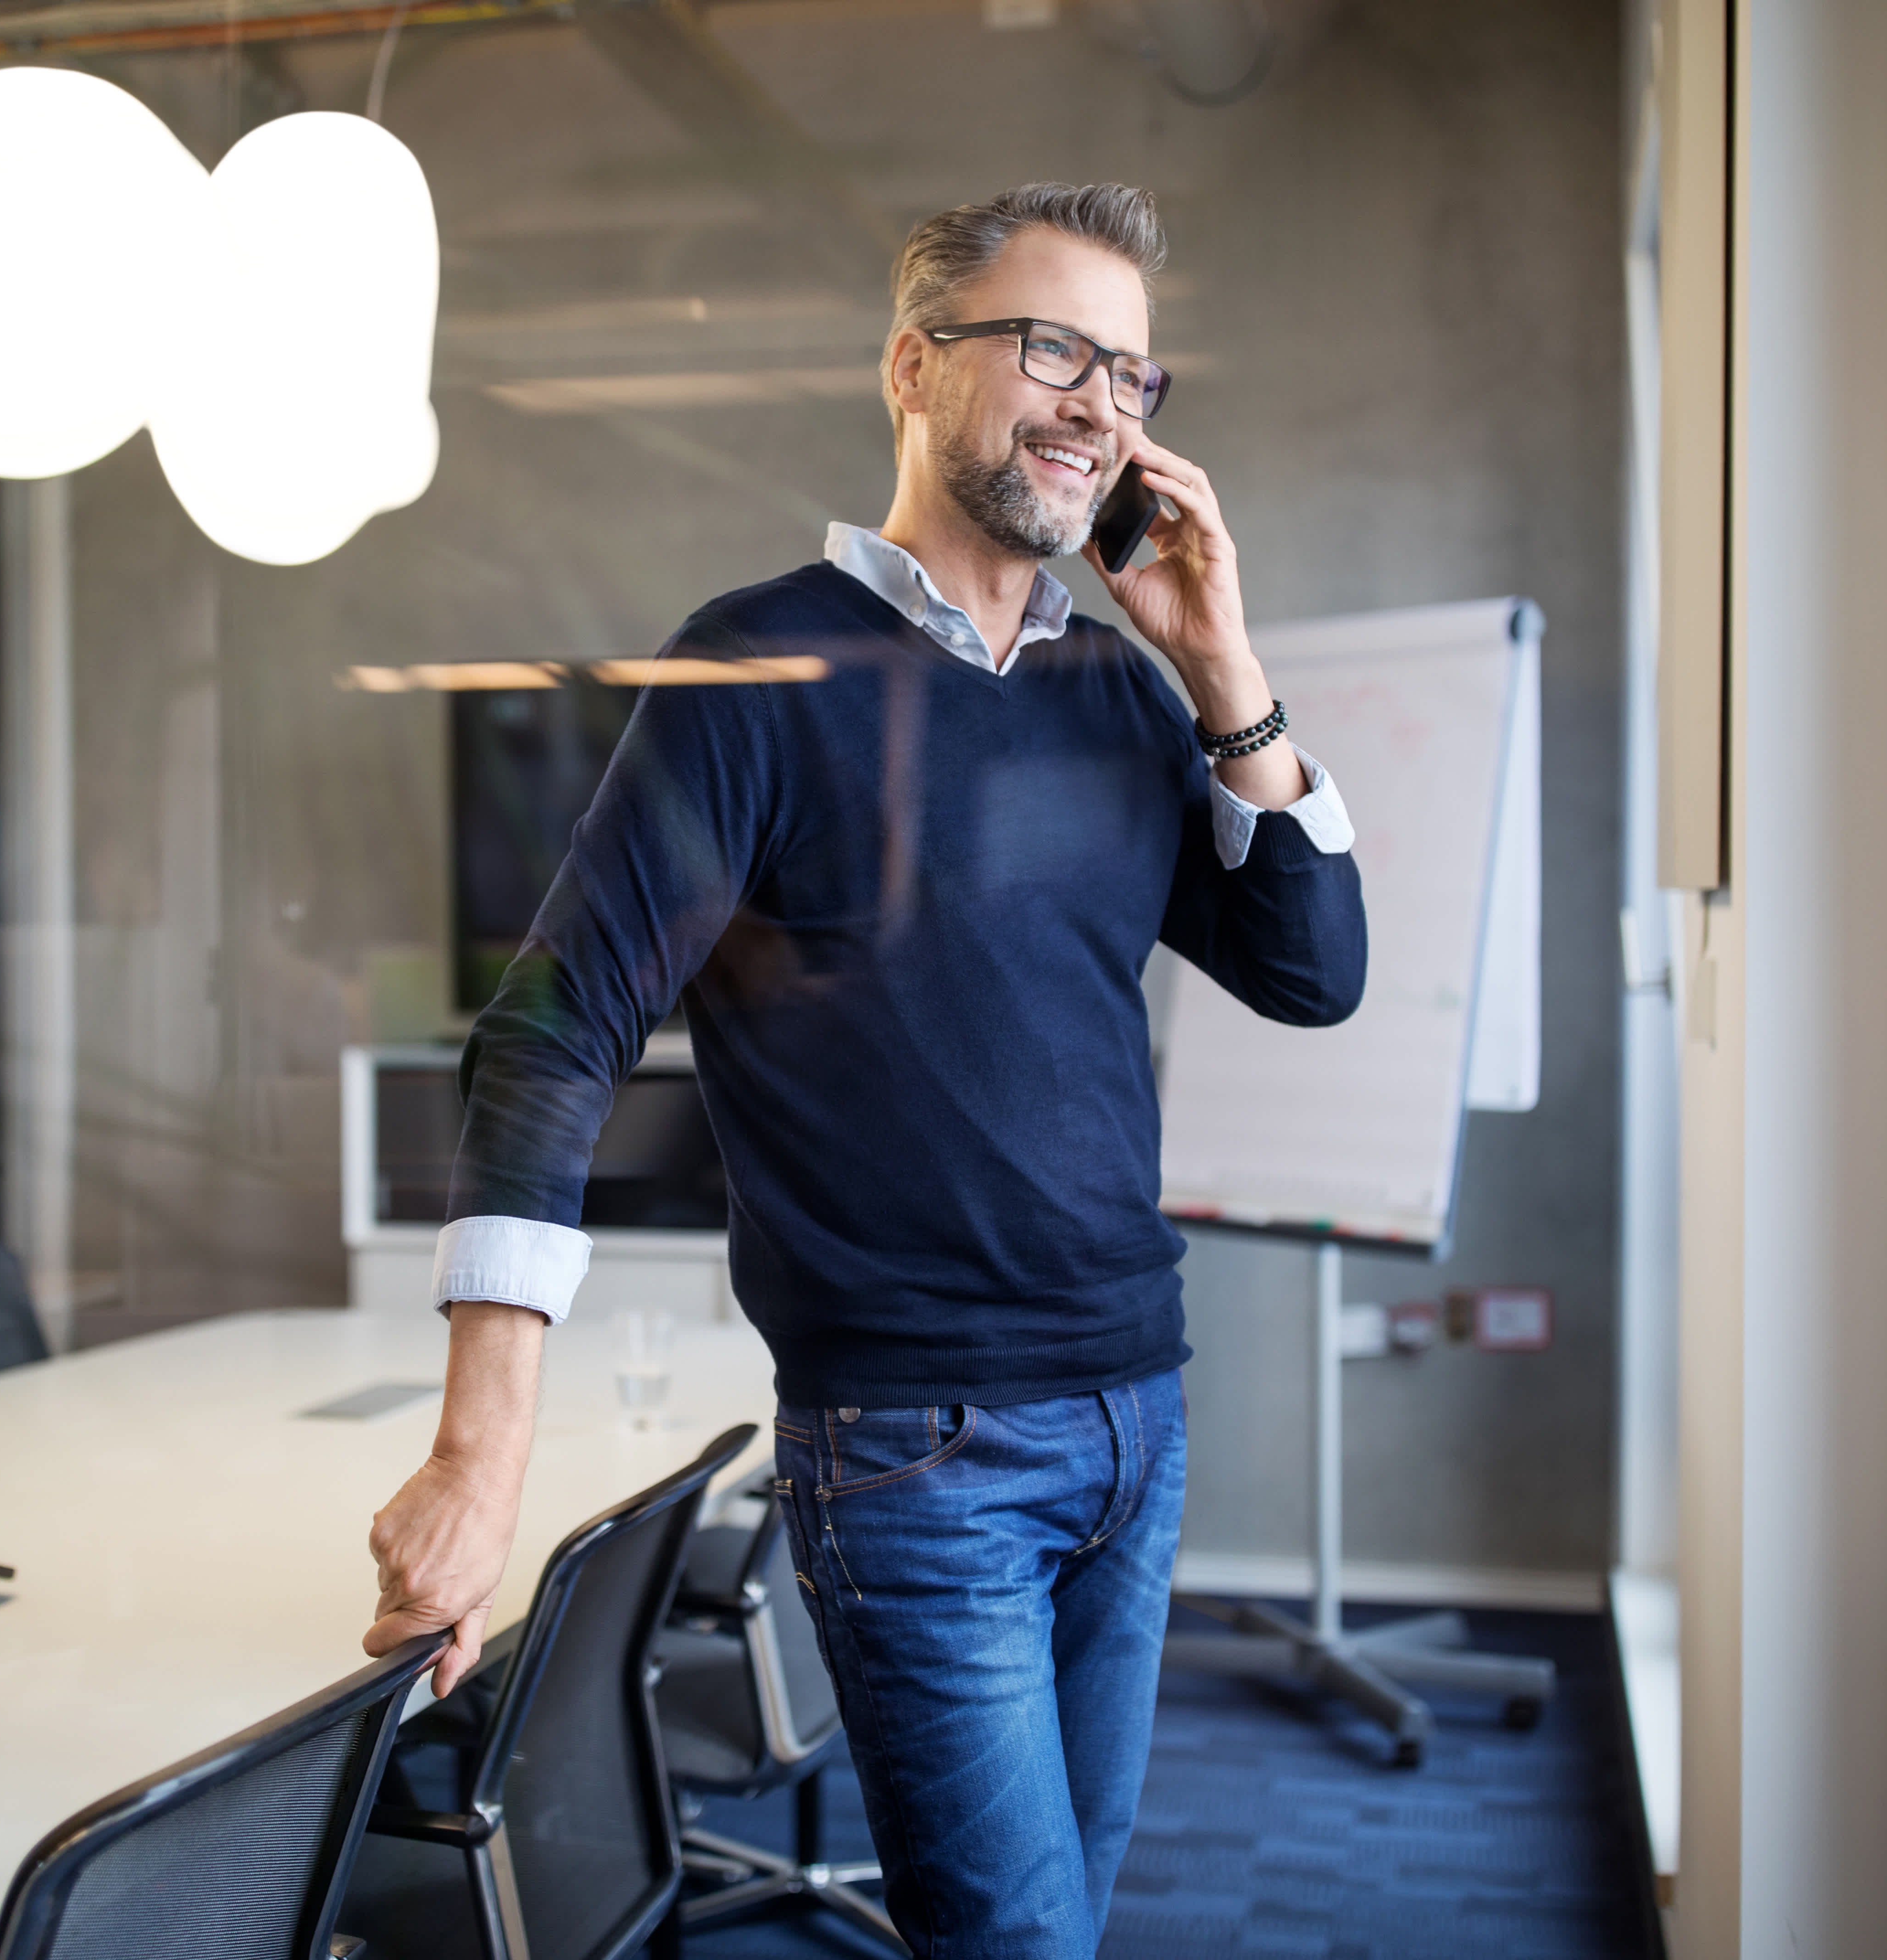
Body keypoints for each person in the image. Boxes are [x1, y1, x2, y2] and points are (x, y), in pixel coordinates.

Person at [362, 181, 1366, 1959]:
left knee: (1064, 1925)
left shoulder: (1117, 692)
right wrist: (478, 1450)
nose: (1097, 406)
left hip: (1138, 1413)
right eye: (1051, 349)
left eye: (1130, 375)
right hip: (919, 1449)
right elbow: (553, 1023)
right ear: (912, 366)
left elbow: (1312, 970)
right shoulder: (756, 670)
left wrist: (1219, 663)